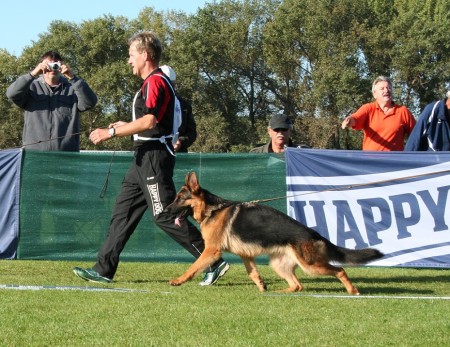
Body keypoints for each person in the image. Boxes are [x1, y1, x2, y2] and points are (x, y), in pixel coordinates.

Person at [73, 31, 229, 285]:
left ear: (145, 55)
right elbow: (150, 124)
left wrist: (110, 132)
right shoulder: (153, 83)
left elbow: (149, 121)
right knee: (122, 213)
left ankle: (212, 258)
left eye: (131, 55)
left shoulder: (155, 82)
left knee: (166, 215)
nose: (129, 60)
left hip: (154, 158)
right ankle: (103, 269)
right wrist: (126, 124)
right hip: (143, 157)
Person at [6, 51, 97, 151]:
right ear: (41, 65)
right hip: (34, 155)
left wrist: (73, 78)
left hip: (67, 156)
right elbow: (12, 94)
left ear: (61, 66)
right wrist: (32, 74)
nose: (52, 68)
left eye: (56, 64)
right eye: (48, 64)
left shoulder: (73, 88)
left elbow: (90, 102)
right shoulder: (31, 87)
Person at [341, 76, 416, 151]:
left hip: (394, 161)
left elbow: (417, 134)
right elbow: (356, 118)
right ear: (374, 94)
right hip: (371, 161)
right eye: (382, 89)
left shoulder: (403, 111)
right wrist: (349, 121)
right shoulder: (368, 108)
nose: (386, 90)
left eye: (388, 88)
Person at [160, 65, 197, 152]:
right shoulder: (150, 104)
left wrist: (181, 141)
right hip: (156, 155)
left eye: (171, 83)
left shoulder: (184, 105)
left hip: (180, 158)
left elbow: (192, 133)